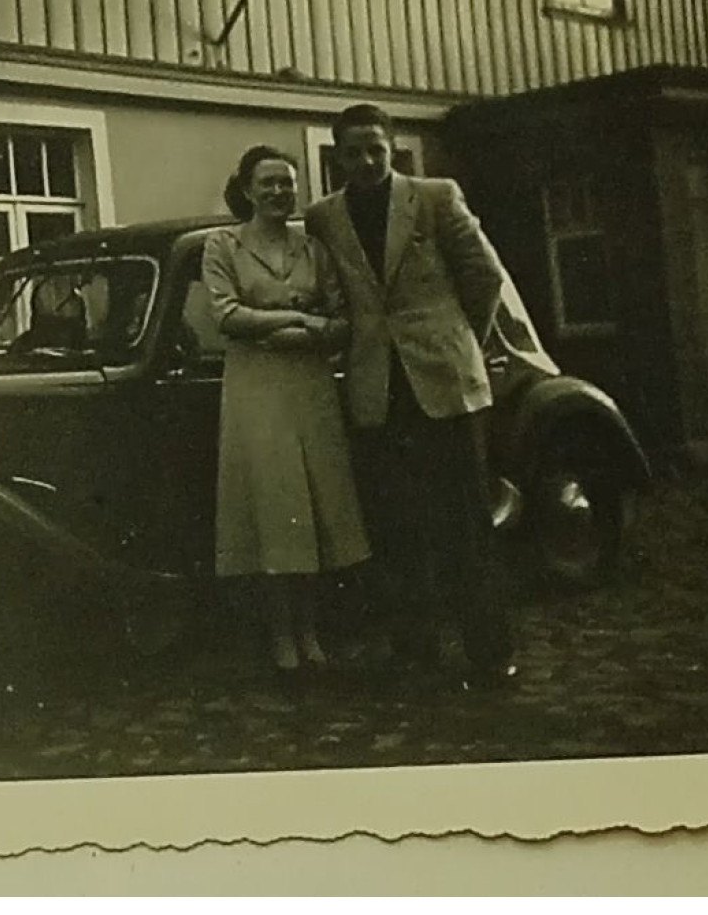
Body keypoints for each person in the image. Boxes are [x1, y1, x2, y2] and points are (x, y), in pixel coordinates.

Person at [303, 103, 516, 689]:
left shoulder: (435, 196)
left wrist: (454, 341)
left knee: (465, 523)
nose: (366, 161)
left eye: (376, 148)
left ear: (391, 148)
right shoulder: (324, 216)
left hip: (444, 386)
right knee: (397, 527)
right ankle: (415, 651)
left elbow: (486, 277)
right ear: (337, 157)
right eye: (352, 152)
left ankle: (489, 652)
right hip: (376, 389)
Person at [202, 144, 370, 673]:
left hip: (310, 388)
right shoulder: (223, 245)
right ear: (247, 189)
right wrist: (299, 320)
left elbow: (342, 322)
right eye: (268, 183)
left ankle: (310, 629)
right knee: (274, 509)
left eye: (287, 183)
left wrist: (299, 326)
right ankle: (281, 635)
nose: (278, 192)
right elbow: (226, 315)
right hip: (255, 391)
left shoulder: (314, 250)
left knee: (315, 506)